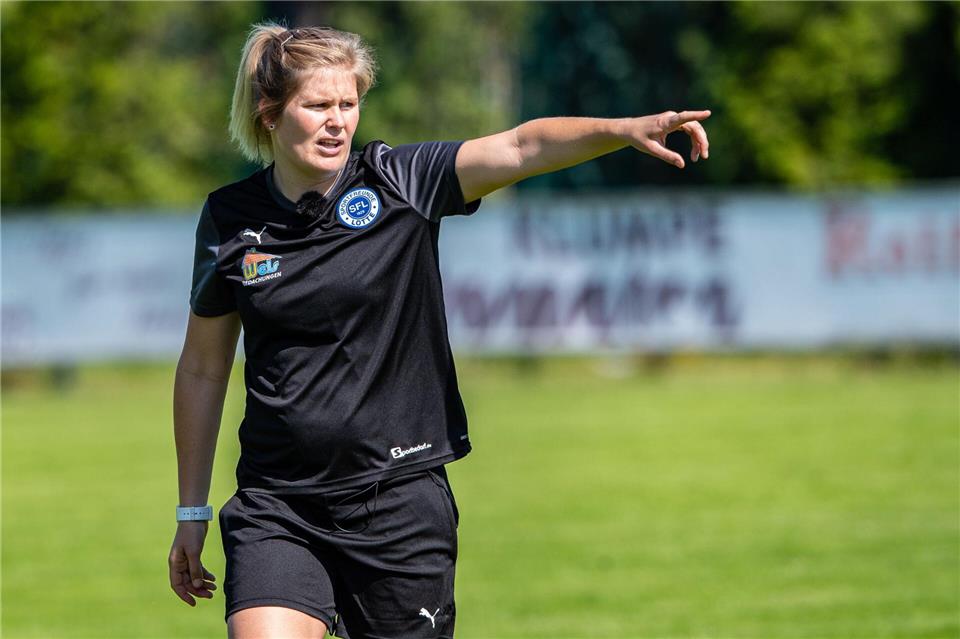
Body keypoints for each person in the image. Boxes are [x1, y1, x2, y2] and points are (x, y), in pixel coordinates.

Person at [168, 20, 711, 639]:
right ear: (270, 113)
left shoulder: (401, 181)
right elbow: (203, 367)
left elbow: (521, 147)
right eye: (317, 105)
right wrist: (192, 511)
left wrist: (623, 131)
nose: (338, 121)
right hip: (278, 504)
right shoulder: (230, 218)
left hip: (399, 503)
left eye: (349, 104)